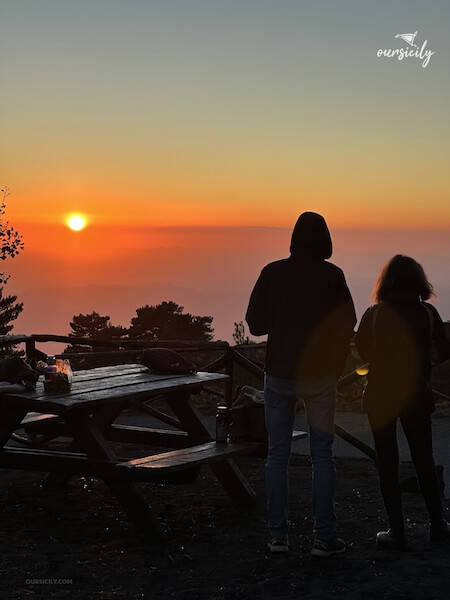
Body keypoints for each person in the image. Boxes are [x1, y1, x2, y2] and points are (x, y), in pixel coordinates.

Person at [245, 212, 356, 557]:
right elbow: (347, 322)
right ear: (325, 240)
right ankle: (325, 537)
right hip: (321, 376)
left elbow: (254, 324)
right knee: (322, 456)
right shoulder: (332, 276)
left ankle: (278, 537)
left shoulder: (272, 272)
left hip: (279, 372)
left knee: (277, 455)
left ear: (293, 239)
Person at [355, 254, 450, 550]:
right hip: (417, 396)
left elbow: (362, 352)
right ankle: (437, 525)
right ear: (419, 282)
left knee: (387, 461)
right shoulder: (428, 314)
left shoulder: (375, 314)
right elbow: (442, 352)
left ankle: (396, 531)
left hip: (380, 396)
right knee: (423, 458)